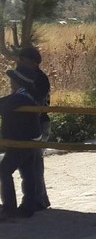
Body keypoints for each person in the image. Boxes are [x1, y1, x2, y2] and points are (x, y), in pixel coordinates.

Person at [0, 68, 43, 217]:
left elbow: (4, 105)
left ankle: (9, 207)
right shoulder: (25, 95)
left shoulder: (21, 97)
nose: (10, 83)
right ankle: (28, 206)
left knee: (4, 170)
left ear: (18, 82)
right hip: (28, 139)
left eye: (12, 80)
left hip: (22, 141)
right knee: (27, 173)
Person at [15, 46, 50, 211]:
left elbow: (37, 103)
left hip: (38, 123)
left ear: (32, 62)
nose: (19, 62)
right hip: (28, 124)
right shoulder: (25, 76)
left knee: (35, 164)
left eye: (23, 60)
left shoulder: (39, 79)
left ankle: (38, 200)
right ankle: (39, 199)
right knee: (30, 164)